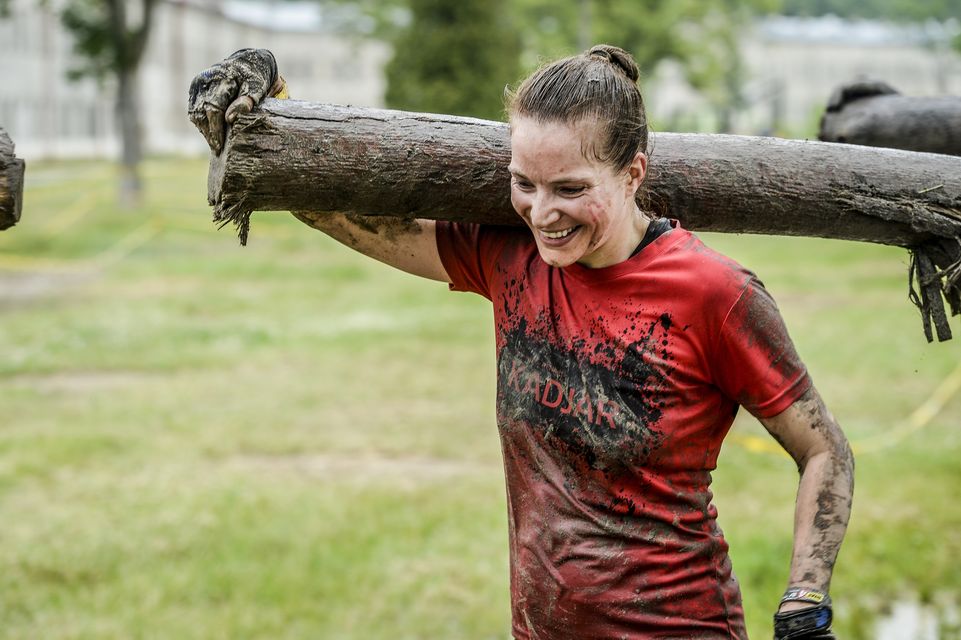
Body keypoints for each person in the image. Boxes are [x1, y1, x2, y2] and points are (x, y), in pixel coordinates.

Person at [189, 45, 854, 640]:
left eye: (569, 189)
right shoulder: (512, 259)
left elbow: (823, 448)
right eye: (523, 184)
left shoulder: (713, 292)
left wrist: (805, 594)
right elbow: (348, 215)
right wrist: (270, 110)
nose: (541, 213)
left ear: (632, 175)